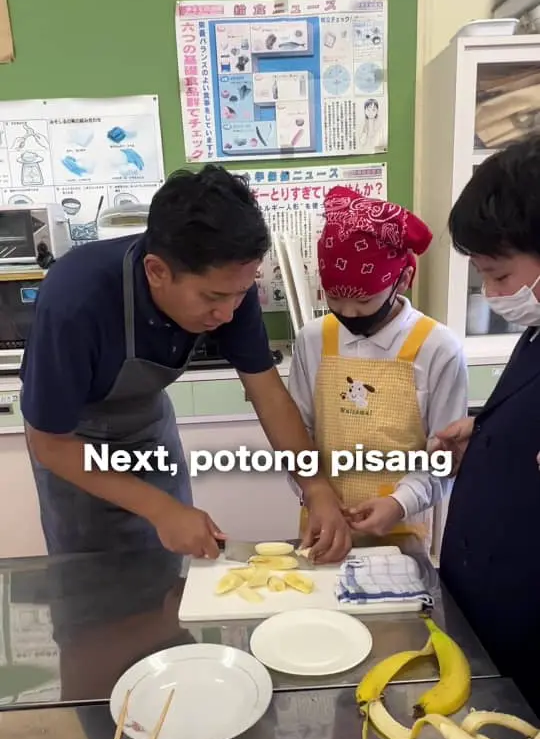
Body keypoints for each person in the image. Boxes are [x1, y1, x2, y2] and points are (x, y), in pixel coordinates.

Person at [20, 166, 350, 563]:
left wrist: (315, 485)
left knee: (172, 566)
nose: (227, 314)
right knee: (93, 579)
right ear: (157, 271)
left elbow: (268, 394)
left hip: (147, 431)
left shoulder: (230, 288)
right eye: (212, 298)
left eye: (239, 294)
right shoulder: (75, 299)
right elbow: (48, 443)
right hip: (73, 445)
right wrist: (161, 509)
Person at [287, 187, 468, 547]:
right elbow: (295, 434)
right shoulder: (313, 339)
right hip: (323, 520)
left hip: (400, 528)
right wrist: (314, 492)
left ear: (402, 280)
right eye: (335, 299)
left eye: (364, 300)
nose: (349, 313)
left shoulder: (438, 348)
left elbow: (445, 458)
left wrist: (400, 503)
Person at [435, 134, 540, 715]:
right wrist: (487, 432)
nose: (492, 294)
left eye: (499, 275)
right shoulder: (535, 331)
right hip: (483, 606)